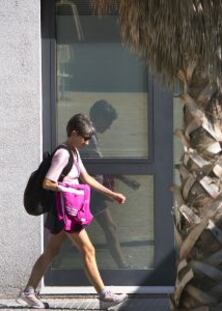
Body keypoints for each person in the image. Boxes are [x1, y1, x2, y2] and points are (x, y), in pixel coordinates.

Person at [17, 114, 128, 310]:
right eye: (84, 138)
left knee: (52, 251)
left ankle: (28, 292)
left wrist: (112, 194)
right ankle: (104, 296)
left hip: (67, 211)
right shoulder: (63, 154)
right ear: (74, 133)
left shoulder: (74, 152)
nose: (87, 142)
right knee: (88, 250)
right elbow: (48, 182)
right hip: (66, 212)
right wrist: (70, 189)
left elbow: (86, 178)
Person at [81, 99, 140, 269]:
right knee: (110, 229)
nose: (109, 127)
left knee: (70, 233)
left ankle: (54, 264)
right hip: (90, 193)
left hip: (90, 192)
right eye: (108, 122)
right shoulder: (88, 137)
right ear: (99, 117)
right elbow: (100, 164)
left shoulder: (89, 134)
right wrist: (126, 179)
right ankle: (123, 269)